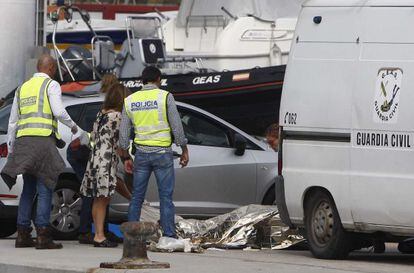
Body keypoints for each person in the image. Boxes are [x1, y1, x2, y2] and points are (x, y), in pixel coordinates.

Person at [1, 54, 78, 249]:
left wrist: (11, 149)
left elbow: (12, 121)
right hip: (43, 142)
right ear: (51, 68)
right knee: (45, 189)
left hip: (24, 142)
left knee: (28, 189)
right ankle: (43, 235)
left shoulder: (22, 88)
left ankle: (23, 234)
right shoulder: (51, 85)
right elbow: (59, 111)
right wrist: (73, 126)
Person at [119, 66, 189, 239]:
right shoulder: (165, 97)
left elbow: (123, 135)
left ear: (142, 80)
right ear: (158, 79)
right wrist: (184, 149)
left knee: (136, 197)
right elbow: (177, 127)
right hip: (162, 153)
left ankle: (132, 237)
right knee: (165, 197)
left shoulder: (130, 100)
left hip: (141, 154)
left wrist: (126, 156)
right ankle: (169, 236)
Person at [79, 83, 128, 247]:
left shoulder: (101, 114)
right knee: (103, 199)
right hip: (106, 160)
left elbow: (93, 137)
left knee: (97, 200)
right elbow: (121, 142)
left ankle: (98, 234)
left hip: (95, 159)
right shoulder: (117, 117)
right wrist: (127, 158)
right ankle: (99, 236)